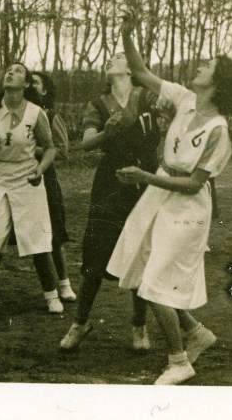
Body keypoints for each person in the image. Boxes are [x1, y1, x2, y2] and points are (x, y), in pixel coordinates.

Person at [106, 8, 232, 385]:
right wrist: (127, 33)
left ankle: (178, 361)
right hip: (159, 194)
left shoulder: (219, 132)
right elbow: (140, 73)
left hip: (188, 207)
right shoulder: (185, 98)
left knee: (156, 283)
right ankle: (196, 332)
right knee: (142, 271)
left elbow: (192, 185)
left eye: (207, 65)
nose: (200, 66)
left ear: (217, 83)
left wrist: (143, 176)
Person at [59, 51, 161, 352]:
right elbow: (86, 142)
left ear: (130, 69)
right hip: (111, 179)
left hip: (145, 174)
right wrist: (107, 131)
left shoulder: (146, 97)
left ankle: (139, 324)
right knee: (96, 253)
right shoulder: (97, 104)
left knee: (141, 251)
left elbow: (171, 112)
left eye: (117, 57)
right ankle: (79, 323)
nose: (109, 60)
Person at [0, 63, 64, 316]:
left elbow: (51, 147)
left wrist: (40, 170)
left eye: (18, 71)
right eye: (8, 70)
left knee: (37, 238)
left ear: (26, 84)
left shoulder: (36, 112)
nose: (10, 73)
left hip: (26, 177)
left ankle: (52, 297)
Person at [0, 71, 77, 303]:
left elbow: (61, 151)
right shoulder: (7, 112)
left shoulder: (48, 115)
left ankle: (63, 284)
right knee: (0, 227)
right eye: (29, 82)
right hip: (10, 177)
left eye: (36, 83)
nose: (31, 86)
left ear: (44, 91)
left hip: (41, 176)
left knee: (50, 229)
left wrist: (29, 150)